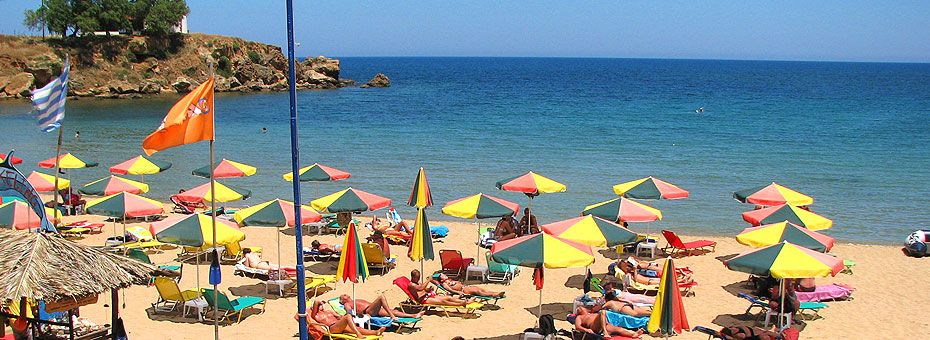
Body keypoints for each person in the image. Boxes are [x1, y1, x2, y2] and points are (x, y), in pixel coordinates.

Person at [306, 300, 384, 338]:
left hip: (340, 325)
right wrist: (318, 303)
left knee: (357, 327)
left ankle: (375, 332)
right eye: (319, 306)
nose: (321, 306)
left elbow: (339, 316)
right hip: (332, 328)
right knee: (348, 317)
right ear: (314, 308)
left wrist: (340, 317)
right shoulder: (316, 315)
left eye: (321, 305)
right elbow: (316, 302)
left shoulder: (329, 311)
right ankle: (358, 334)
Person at [407, 270, 474, 307]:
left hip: (428, 295)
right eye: (417, 277)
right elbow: (420, 288)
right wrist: (428, 280)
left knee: (449, 298)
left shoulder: (417, 282)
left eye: (419, 277)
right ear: (412, 277)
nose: (418, 279)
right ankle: (462, 303)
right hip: (423, 299)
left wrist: (429, 289)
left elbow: (424, 289)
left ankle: (466, 301)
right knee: (443, 302)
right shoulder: (411, 284)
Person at [339, 293, 423, 320]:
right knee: (381, 297)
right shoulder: (347, 304)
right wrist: (358, 316)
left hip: (373, 309)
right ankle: (392, 316)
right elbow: (349, 312)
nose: (345, 294)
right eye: (343, 296)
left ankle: (414, 315)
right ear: (343, 300)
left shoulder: (354, 299)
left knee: (395, 311)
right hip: (368, 311)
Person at [573, 307, 644, 338]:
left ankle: (633, 335)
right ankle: (605, 332)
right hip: (594, 327)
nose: (579, 308)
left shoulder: (592, 313)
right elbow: (577, 327)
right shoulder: (580, 317)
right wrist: (586, 330)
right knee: (603, 312)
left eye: (581, 307)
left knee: (619, 329)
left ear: (586, 309)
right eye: (578, 309)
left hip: (605, 324)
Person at [432, 273, 505, 297]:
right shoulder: (445, 284)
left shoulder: (450, 280)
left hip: (466, 287)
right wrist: (458, 292)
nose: (444, 275)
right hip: (464, 290)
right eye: (442, 275)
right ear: (441, 279)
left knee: (482, 289)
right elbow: (450, 290)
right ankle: (494, 295)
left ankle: (495, 293)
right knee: (479, 292)